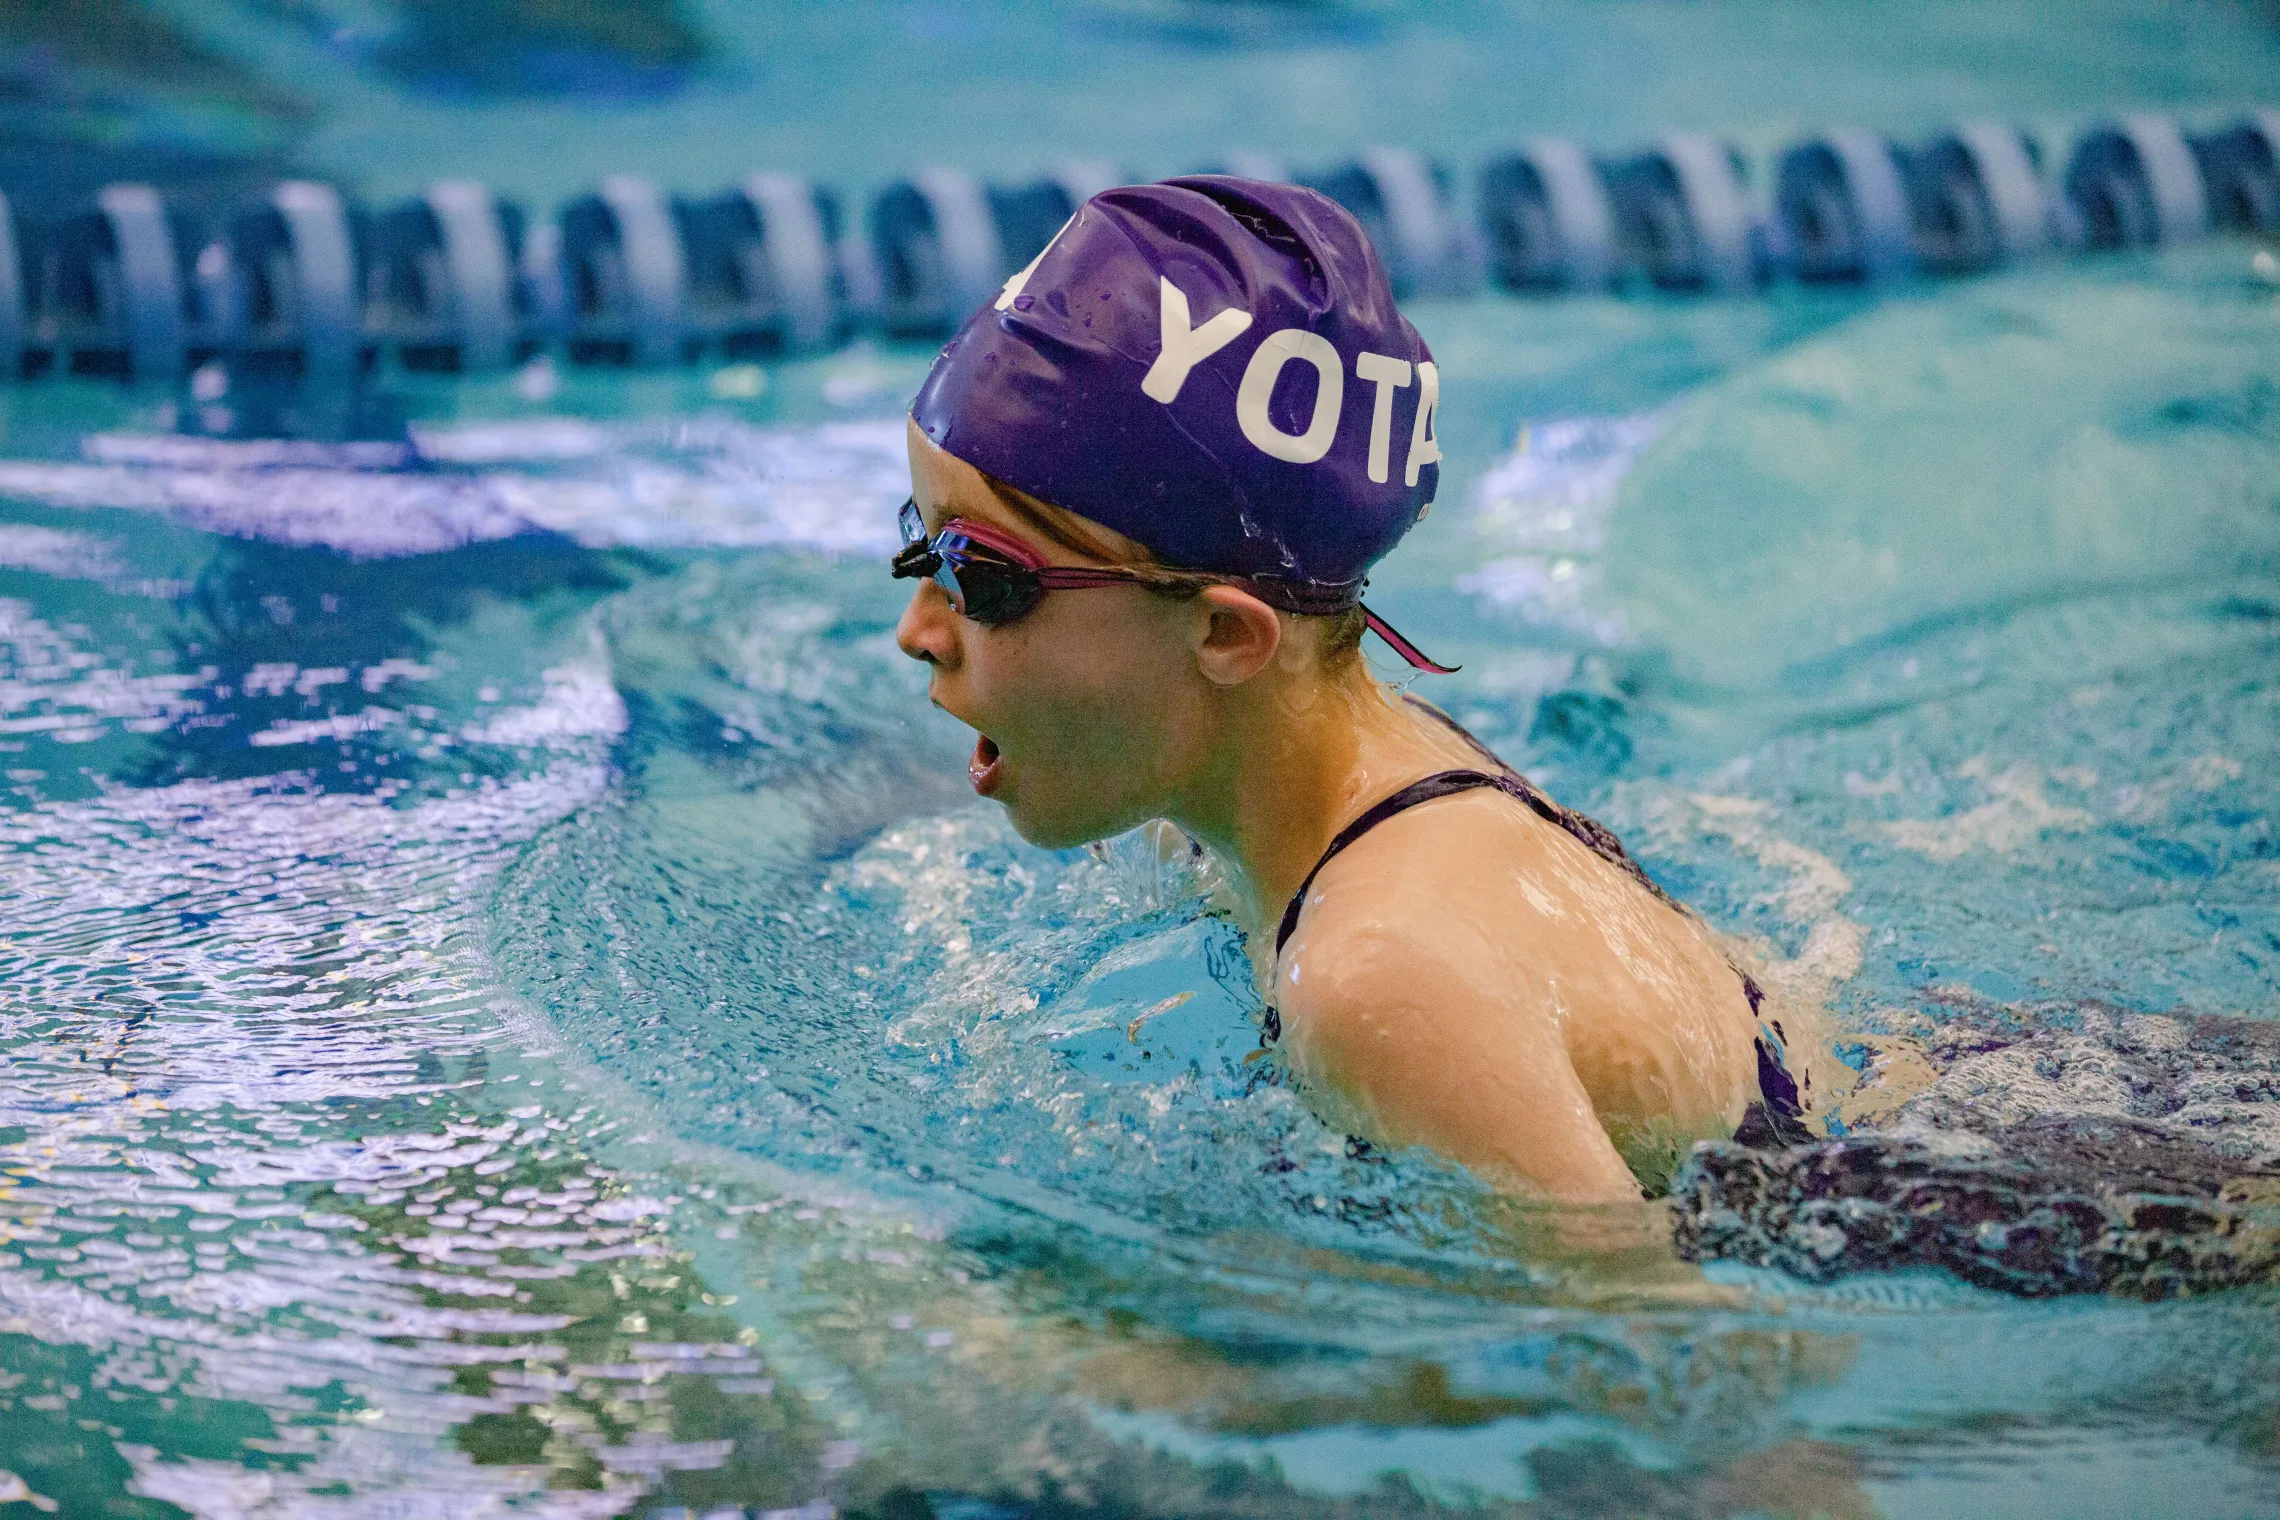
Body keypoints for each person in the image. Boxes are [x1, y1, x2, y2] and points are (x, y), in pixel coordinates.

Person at [891, 177, 1807, 1204]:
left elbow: (1681, 1349)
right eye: (916, 537)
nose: (916, 630)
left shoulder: (1377, 971)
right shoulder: (1297, 771)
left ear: (1226, 634)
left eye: (980, 576)